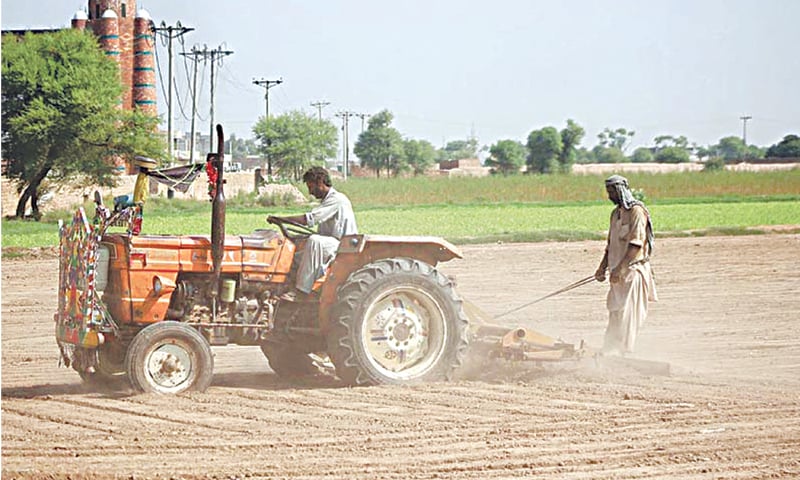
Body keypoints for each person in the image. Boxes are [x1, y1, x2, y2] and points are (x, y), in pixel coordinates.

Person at [267, 167, 357, 301]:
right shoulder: (327, 201)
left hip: (343, 246)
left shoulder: (337, 199)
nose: (310, 192)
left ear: (320, 182)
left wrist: (281, 219)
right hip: (331, 244)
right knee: (293, 252)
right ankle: (281, 286)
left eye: (311, 186)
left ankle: (301, 291)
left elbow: (310, 219)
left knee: (315, 241)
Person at [594, 175, 657, 355]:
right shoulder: (615, 214)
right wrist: (602, 268)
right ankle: (609, 348)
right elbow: (610, 245)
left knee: (627, 314)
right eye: (608, 192)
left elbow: (636, 244)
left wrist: (621, 268)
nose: (609, 196)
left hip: (632, 272)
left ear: (621, 190)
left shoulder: (636, 211)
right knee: (614, 312)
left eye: (612, 191)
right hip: (616, 273)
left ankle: (625, 351)